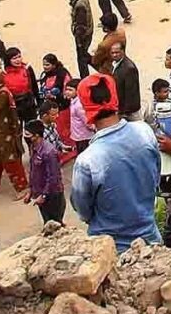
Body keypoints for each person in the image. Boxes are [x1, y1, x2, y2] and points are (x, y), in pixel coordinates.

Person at [67, 73, 160, 246]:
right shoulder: (144, 132)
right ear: (115, 98)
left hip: (110, 247)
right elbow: (155, 177)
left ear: (86, 107)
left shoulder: (87, 160)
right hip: (150, 237)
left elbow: (83, 211)